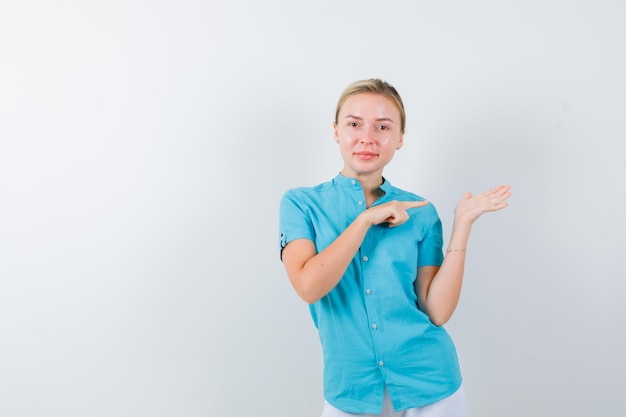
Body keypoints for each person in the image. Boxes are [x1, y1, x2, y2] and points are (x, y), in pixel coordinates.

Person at [278, 78, 511, 417]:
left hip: (432, 387)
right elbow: (309, 286)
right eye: (354, 124)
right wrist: (364, 221)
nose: (367, 138)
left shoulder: (420, 211)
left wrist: (462, 226)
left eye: (383, 127)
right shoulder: (301, 204)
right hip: (351, 391)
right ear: (336, 131)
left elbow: (437, 311)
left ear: (400, 138)